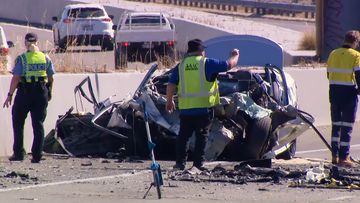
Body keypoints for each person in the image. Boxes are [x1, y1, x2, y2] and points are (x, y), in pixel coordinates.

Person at [166, 39, 239, 170]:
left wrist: (169, 100)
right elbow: (229, 65)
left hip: (186, 108)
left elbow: (171, 84)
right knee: (202, 136)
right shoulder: (206, 63)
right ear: (201, 51)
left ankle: (179, 164)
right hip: (203, 109)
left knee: (183, 137)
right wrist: (235, 55)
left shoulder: (181, 65)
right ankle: (198, 164)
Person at [3, 32, 55, 163]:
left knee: (18, 122)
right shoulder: (45, 58)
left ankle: (19, 153)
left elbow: (16, 78)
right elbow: (51, 78)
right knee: (38, 124)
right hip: (41, 92)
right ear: (37, 43)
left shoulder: (22, 58)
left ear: (26, 43)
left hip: (25, 93)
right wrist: (49, 92)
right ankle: (37, 155)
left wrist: (10, 94)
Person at [327, 30, 360, 168]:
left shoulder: (333, 53)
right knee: (347, 127)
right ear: (355, 42)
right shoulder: (356, 55)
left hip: (334, 93)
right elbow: (359, 75)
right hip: (348, 94)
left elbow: (328, 74)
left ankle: (334, 156)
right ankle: (343, 158)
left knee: (336, 126)